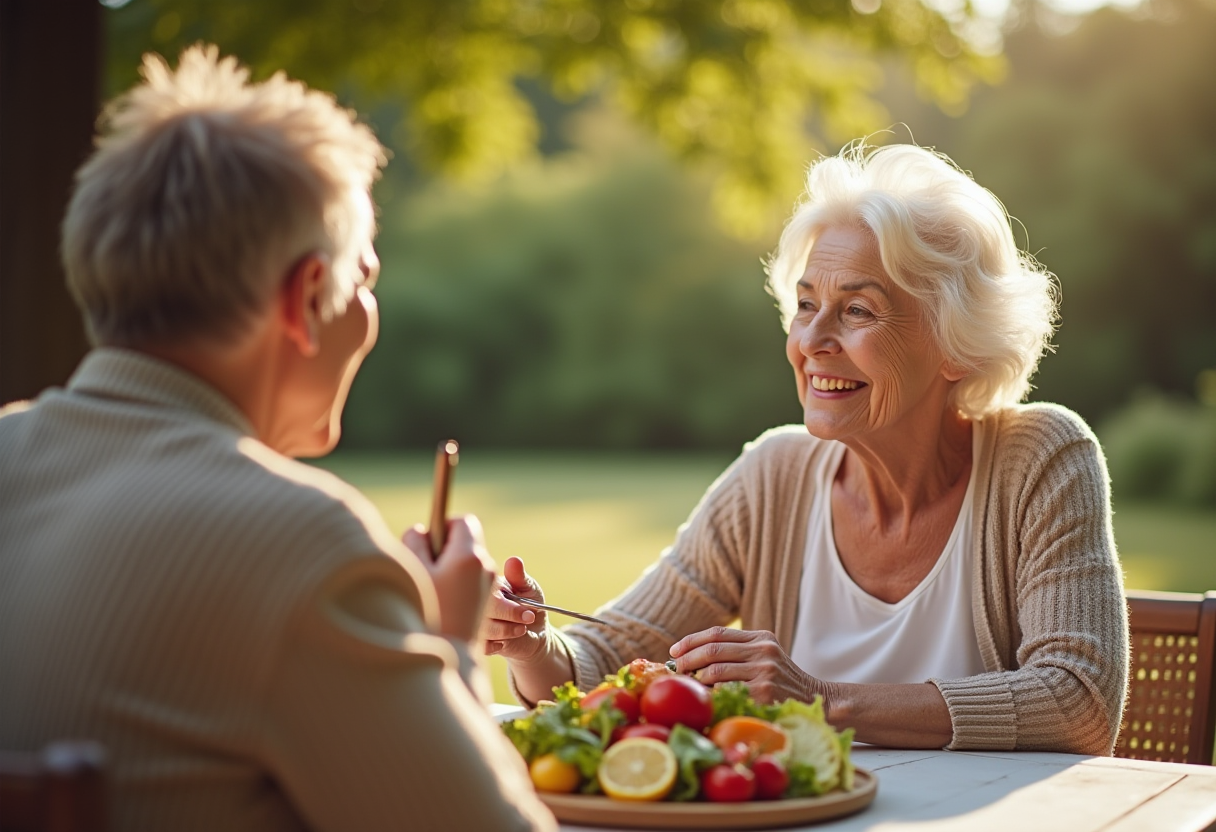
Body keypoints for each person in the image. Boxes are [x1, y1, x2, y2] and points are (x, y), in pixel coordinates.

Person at [0, 45, 554, 832]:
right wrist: (449, 651)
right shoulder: (303, 545)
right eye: (362, 278)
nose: (368, 309)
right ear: (304, 298)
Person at [486, 142, 1129, 755]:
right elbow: (606, 657)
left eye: (857, 311)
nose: (812, 339)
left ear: (956, 345)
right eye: (806, 304)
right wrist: (534, 647)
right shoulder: (774, 473)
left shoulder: (1041, 457)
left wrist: (821, 700)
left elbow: (1079, 703)